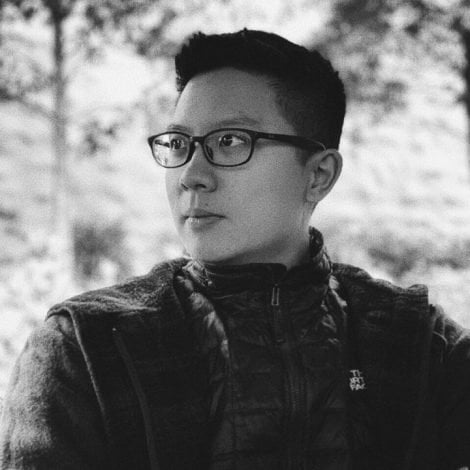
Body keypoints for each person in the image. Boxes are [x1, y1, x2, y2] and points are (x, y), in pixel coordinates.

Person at [1, 28, 469, 470]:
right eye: (179, 143)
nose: (191, 175)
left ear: (319, 175)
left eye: (229, 141)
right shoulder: (90, 347)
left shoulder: (419, 345)